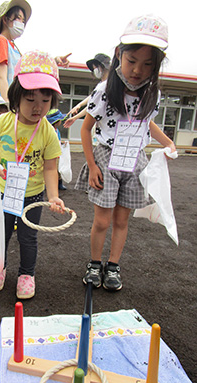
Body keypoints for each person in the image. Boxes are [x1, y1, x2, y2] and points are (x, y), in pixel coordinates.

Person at [75, 14, 177, 292]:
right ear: (119, 55)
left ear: (156, 66)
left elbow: (147, 123)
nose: (137, 70)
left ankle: (113, 266)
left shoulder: (151, 94)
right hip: (107, 158)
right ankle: (95, 264)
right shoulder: (104, 91)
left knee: (121, 220)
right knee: (102, 220)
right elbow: (85, 130)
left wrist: (168, 142)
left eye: (147, 64)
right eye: (132, 61)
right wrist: (92, 164)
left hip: (135, 160)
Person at [0, 50, 65, 299]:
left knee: (29, 238)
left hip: (32, 195)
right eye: (30, 99)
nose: (37, 107)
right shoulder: (3, 123)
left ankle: (26, 275)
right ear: (16, 96)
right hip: (3, 192)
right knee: (3, 234)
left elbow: (51, 168)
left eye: (45, 99)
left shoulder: (48, 132)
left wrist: (53, 196)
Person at [0, 0, 71, 102]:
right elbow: (2, 77)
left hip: (13, 103)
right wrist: (8, 105)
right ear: (5, 19)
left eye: (23, 21)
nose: (21, 24)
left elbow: (30, 67)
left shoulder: (14, 48)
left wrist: (55, 61)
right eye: (18, 18)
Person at [64, 53, 111, 129]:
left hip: (106, 129)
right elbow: (93, 97)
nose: (95, 70)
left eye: (95, 67)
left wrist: (75, 117)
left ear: (101, 66)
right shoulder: (102, 85)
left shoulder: (107, 86)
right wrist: (79, 105)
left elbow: (92, 105)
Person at [46, 109, 68, 190]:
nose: (61, 122)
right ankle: (49, 184)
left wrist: (61, 142)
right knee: (51, 169)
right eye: (60, 120)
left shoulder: (56, 130)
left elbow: (57, 140)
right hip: (51, 153)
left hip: (57, 153)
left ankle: (59, 183)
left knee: (59, 169)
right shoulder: (49, 130)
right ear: (56, 121)